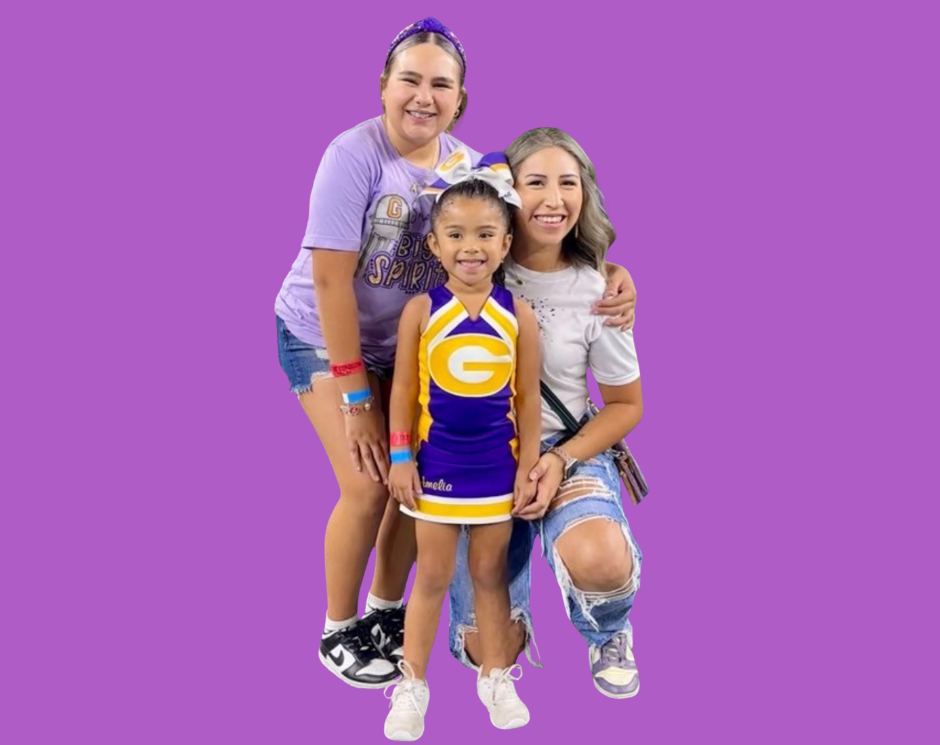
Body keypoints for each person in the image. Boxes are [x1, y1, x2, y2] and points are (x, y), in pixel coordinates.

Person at [274, 17, 637, 690]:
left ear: (460, 98)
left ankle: (386, 612)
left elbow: (534, 198)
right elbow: (329, 281)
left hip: (403, 349)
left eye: (441, 84)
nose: (423, 95)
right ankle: (338, 626)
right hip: (325, 339)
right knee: (366, 482)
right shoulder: (353, 156)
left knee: (407, 484)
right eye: (409, 79)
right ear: (383, 87)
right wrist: (356, 399)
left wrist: (613, 271)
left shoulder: (468, 166)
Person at [448, 128, 645, 701]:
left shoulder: (599, 289)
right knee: (486, 654)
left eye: (568, 182)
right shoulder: (470, 263)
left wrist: (558, 460)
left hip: (568, 449)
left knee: (600, 561)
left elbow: (627, 405)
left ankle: (608, 629)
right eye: (535, 182)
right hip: (481, 457)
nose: (554, 199)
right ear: (508, 189)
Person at [383, 160, 540, 740]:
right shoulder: (421, 311)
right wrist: (401, 457)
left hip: (497, 469)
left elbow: (526, 400)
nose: (469, 247)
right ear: (434, 242)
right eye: (455, 234)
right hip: (437, 469)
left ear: (505, 243)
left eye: (483, 235)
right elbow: (402, 389)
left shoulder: (518, 315)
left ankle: (496, 676)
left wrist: (526, 467)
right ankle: (411, 686)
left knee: (490, 575)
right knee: (431, 576)